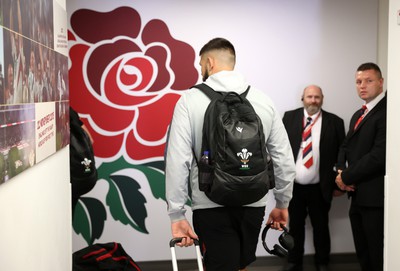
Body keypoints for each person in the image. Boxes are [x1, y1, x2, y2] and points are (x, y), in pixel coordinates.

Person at [165, 37, 296, 271]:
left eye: (200, 65)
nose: (200, 70)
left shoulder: (189, 100)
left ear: (209, 62)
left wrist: (177, 214)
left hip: (210, 201)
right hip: (254, 200)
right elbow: (283, 158)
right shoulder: (262, 100)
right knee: (241, 265)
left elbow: (178, 161)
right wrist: (282, 201)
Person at [281, 85, 345, 271]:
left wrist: (339, 184)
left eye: (317, 97)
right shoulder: (289, 118)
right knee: (295, 227)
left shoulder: (335, 122)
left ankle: (322, 262)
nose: (313, 101)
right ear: (302, 98)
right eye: (309, 97)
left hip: (320, 187)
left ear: (322, 98)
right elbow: (279, 148)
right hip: (294, 186)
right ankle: (294, 262)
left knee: (321, 227)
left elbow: (342, 153)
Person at [335, 62, 386, 271]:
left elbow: (378, 156)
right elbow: (345, 147)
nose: (362, 85)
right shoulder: (359, 114)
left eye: (369, 81)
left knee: (376, 254)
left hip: (375, 198)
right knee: (363, 253)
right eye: (358, 82)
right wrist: (340, 171)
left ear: (381, 83)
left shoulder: (388, 112)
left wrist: (346, 177)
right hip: (356, 195)